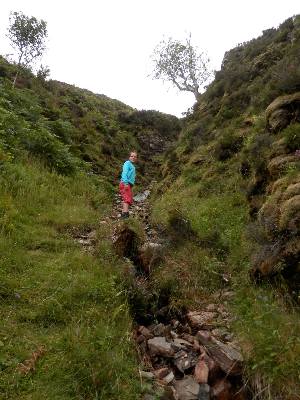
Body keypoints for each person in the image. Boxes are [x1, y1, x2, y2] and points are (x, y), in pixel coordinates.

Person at [119, 151, 137, 219]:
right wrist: (126, 183)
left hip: (128, 184)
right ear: (129, 157)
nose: (133, 157)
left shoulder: (132, 165)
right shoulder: (127, 163)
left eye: (135, 157)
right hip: (125, 183)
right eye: (132, 156)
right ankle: (125, 216)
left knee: (127, 198)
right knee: (127, 199)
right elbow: (124, 173)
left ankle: (124, 214)